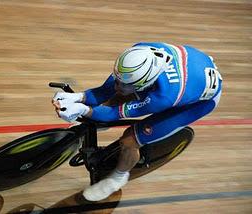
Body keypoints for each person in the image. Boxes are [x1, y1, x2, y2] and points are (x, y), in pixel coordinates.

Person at [52, 42, 223, 201]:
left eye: (123, 83)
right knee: (117, 94)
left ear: (145, 83)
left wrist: (83, 109)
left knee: (129, 140)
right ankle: (99, 119)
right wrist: (78, 97)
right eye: (117, 78)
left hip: (197, 103)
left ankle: (117, 179)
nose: (117, 85)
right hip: (192, 71)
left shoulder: (163, 97)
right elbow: (106, 91)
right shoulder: (138, 52)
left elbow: (114, 114)